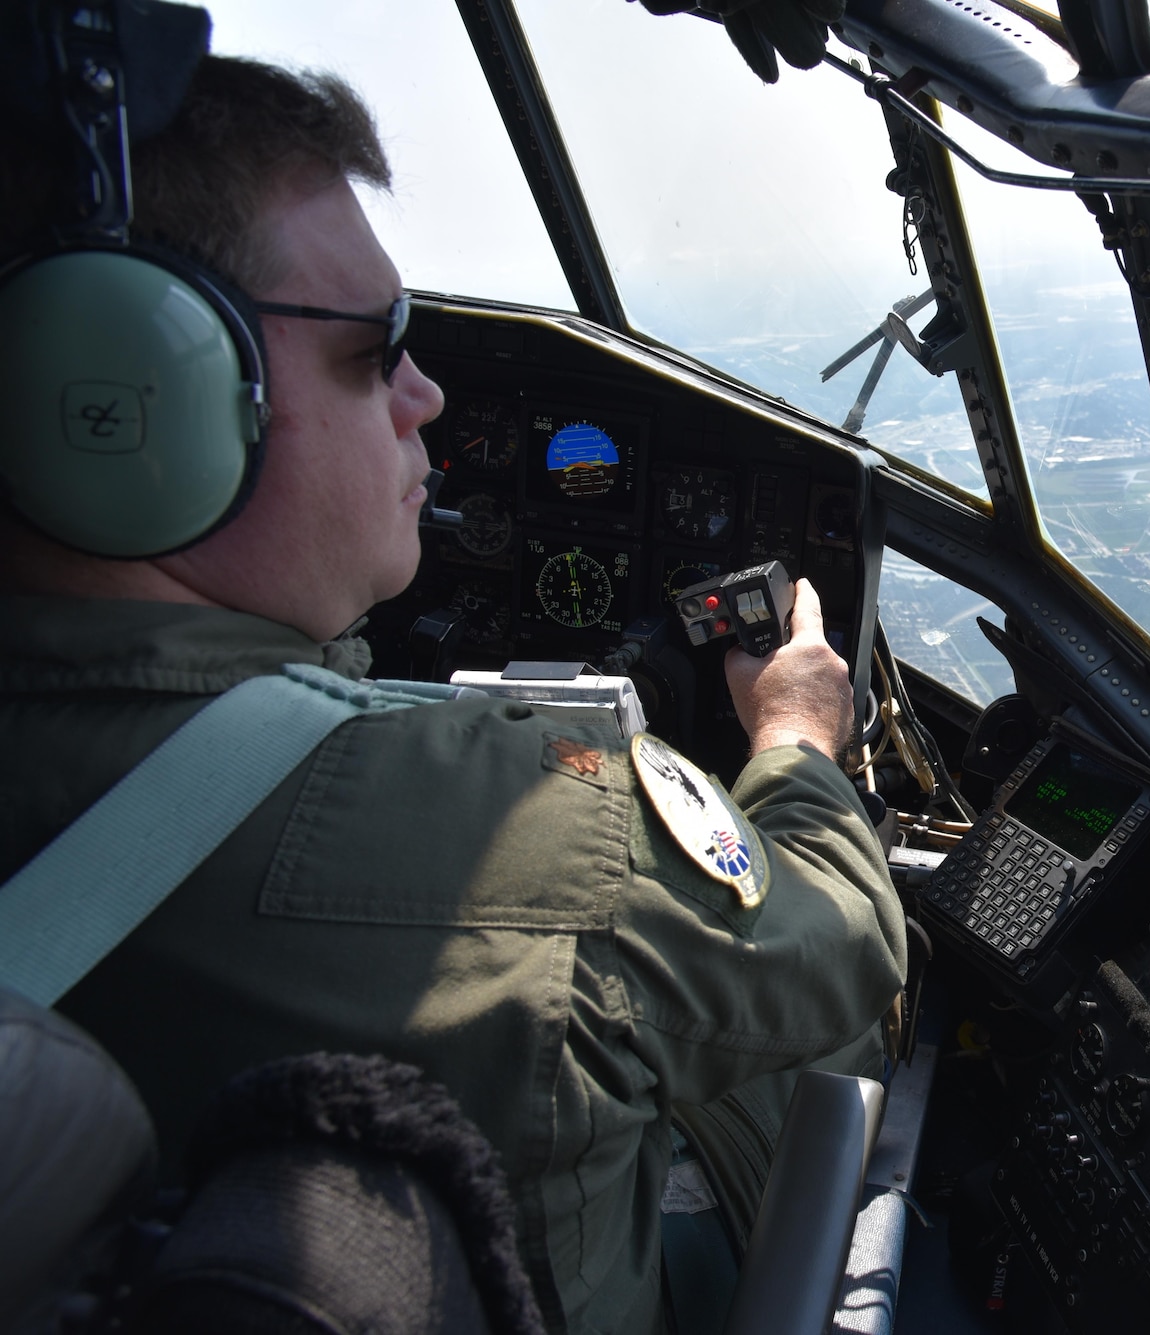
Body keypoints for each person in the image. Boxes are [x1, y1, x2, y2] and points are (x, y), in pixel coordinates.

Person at [0, 52, 905, 1335]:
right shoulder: (517, 832)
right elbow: (844, 946)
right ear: (137, 410)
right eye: (376, 357)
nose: (428, 398)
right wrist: (796, 734)